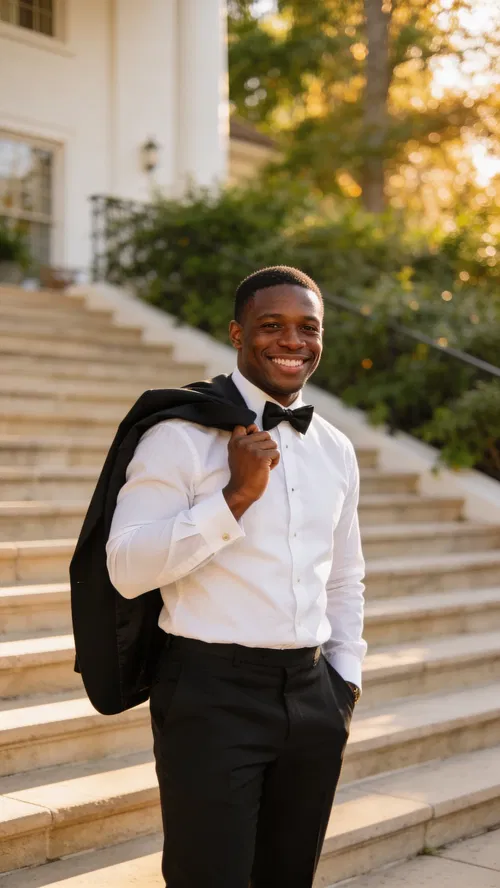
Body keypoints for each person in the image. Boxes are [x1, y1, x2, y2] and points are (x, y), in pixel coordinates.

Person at [106, 265, 367, 888]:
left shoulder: (336, 448)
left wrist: (345, 682)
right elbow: (125, 569)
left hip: (312, 695)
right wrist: (235, 499)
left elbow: (344, 577)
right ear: (236, 333)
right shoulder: (179, 434)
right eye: (270, 325)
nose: (292, 341)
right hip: (210, 693)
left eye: (308, 327)